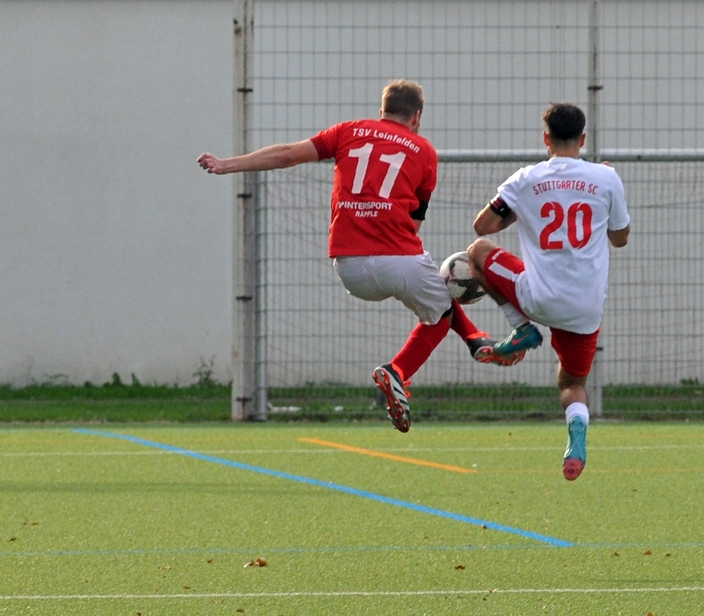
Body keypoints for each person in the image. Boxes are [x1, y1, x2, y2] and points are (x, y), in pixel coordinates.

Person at [198, 79, 538, 433]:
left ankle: (475, 341)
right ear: (416, 117)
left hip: (350, 269)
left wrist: (227, 164)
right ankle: (413, 365)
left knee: (437, 302)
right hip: (399, 261)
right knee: (439, 313)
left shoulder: (348, 131)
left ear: (381, 111)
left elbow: (288, 154)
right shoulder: (424, 152)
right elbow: (415, 223)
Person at [467, 102, 631, 480]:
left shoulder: (526, 179)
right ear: (583, 139)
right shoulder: (606, 179)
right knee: (572, 383)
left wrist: (521, 209)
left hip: (535, 298)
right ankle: (577, 435)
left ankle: (520, 326)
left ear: (546, 139)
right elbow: (620, 240)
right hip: (585, 309)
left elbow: (483, 227)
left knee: (475, 254)